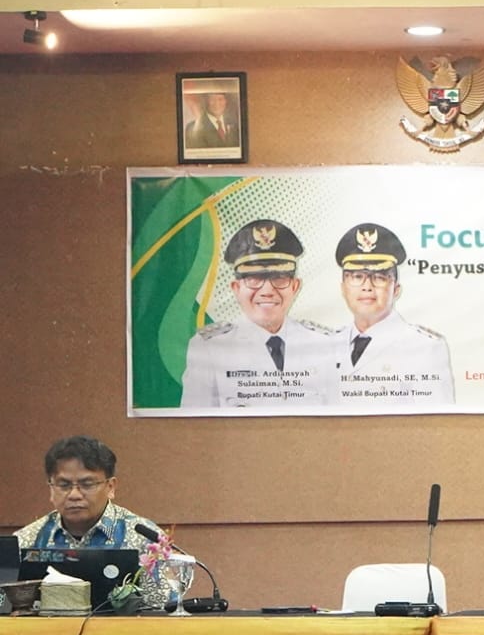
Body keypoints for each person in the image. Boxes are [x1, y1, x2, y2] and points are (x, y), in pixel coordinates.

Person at [180, 220, 341, 408]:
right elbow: (196, 424)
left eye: (279, 278)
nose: (267, 291)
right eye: (254, 279)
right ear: (236, 288)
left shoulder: (323, 344)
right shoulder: (210, 349)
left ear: (295, 286)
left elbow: (339, 419)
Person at [331, 223, 455, 404]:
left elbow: (437, 420)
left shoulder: (424, 347)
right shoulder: (327, 344)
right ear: (343, 288)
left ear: (396, 289)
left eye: (379, 277)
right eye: (357, 277)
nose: (367, 287)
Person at [13, 436, 157, 549]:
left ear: (110, 487)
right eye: (64, 485)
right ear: (51, 488)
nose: (74, 495)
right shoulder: (26, 541)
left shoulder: (146, 541)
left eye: (87, 485)